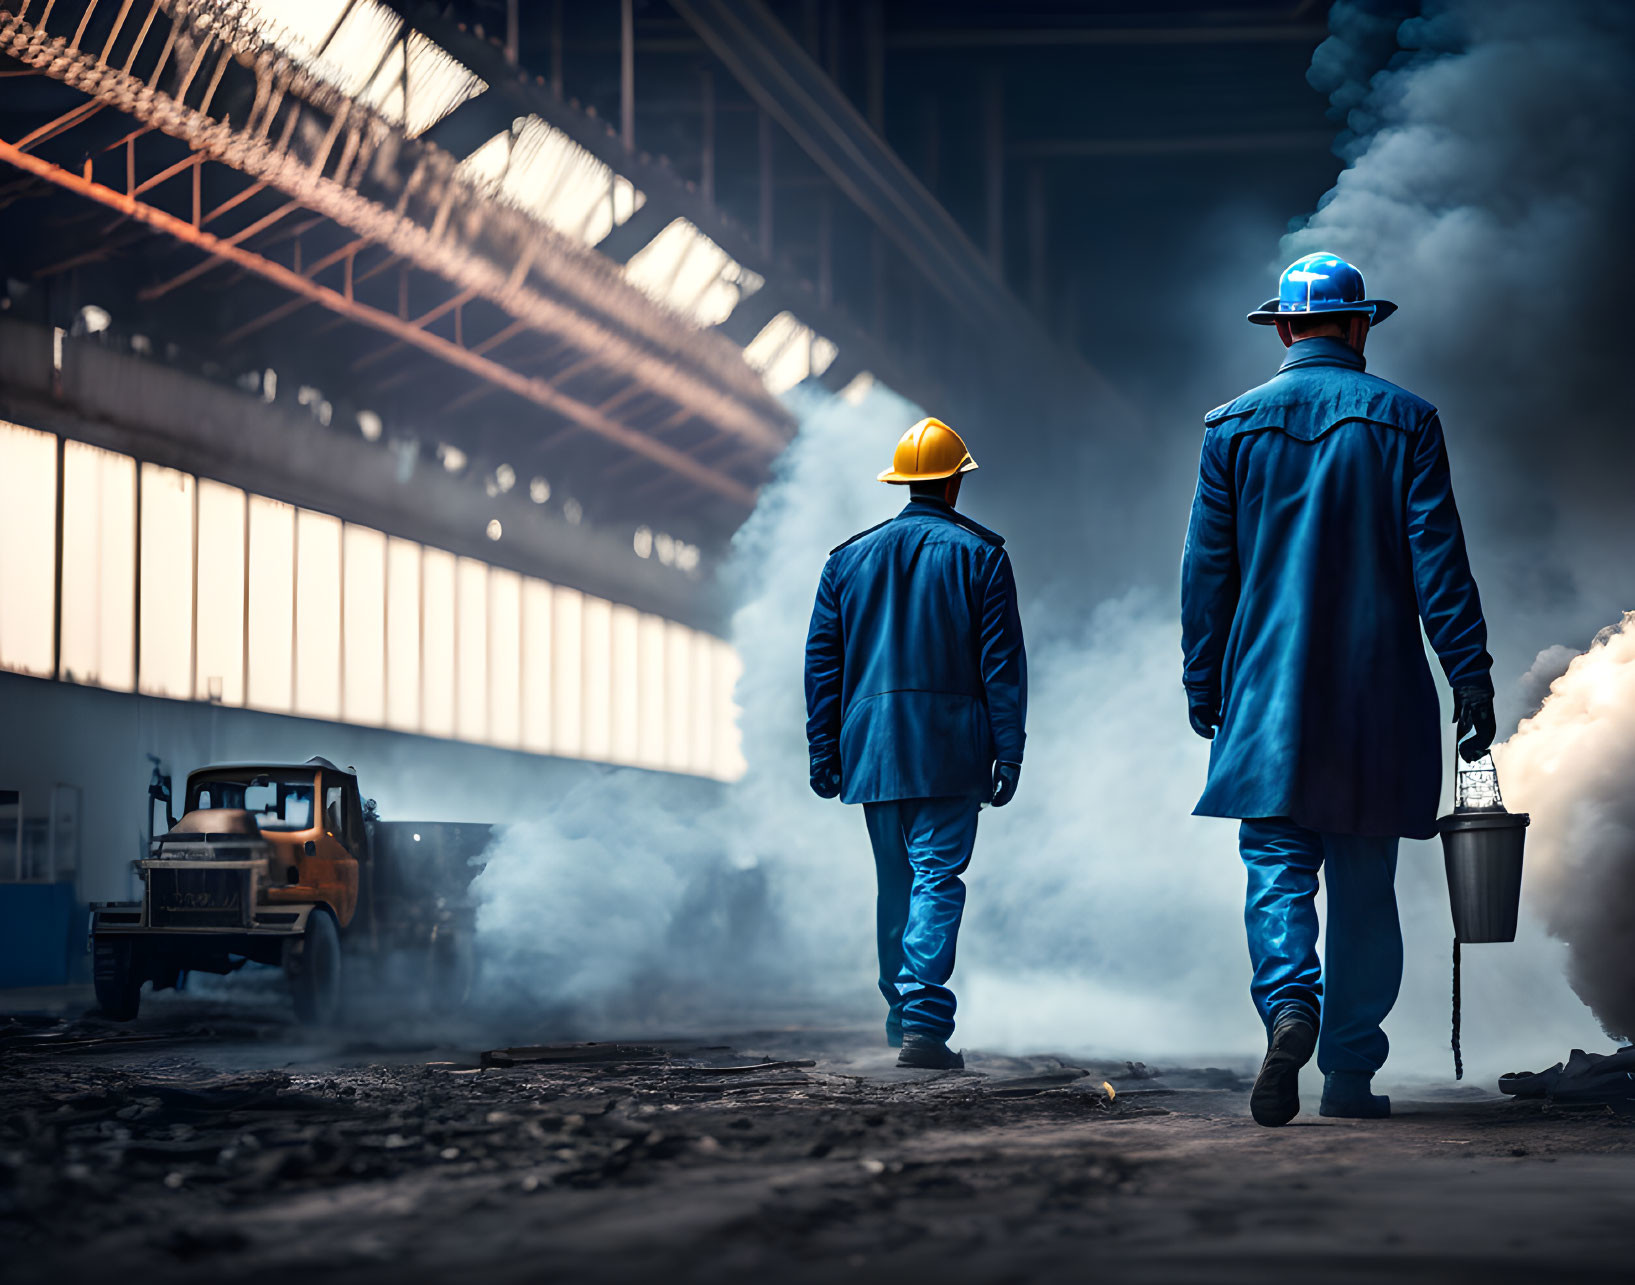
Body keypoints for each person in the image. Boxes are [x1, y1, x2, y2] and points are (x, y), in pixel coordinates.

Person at [1181, 252, 1496, 1126]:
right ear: (1360, 326)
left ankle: (1289, 1008)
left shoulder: (1229, 428)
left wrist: (1201, 678)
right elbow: (1438, 564)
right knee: (1364, 886)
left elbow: (1207, 573)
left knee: (1277, 869)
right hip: (1375, 701)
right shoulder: (1407, 421)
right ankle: (1350, 1075)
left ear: (1282, 329)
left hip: (1266, 697)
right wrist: (1467, 673)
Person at [804, 417, 1027, 1071]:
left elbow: (823, 663)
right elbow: (1001, 668)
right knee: (936, 878)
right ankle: (923, 1022)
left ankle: (901, 1015)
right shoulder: (981, 554)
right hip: (950, 750)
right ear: (955, 481)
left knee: (895, 884)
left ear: (903, 482)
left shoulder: (846, 560)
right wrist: (1007, 751)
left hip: (872, 750)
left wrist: (824, 750)